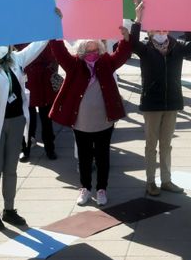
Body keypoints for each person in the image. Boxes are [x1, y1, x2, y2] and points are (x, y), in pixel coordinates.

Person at [0, 21, 53, 228]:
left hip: (16, 122)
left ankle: (9, 209)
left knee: (11, 169)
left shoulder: (15, 60)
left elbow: (37, 46)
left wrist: (52, 23)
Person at [128, 2, 191, 196]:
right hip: (152, 103)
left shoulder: (177, 47)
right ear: (152, 31)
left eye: (165, 28)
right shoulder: (146, 48)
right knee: (151, 144)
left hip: (172, 102)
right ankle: (150, 182)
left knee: (166, 144)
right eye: (157, 29)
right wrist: (138, 19)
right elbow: (132, 44)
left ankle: (166, 180)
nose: (162, 32)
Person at [50, 30, 134, 207]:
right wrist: (55, 28)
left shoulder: (106, 62)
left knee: (103, 156)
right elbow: (59, 52)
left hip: (104, 121)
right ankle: (85, 188)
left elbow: (122, 55)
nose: (92, 55)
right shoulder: (74, 64)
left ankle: (102, 189)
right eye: (88, 51)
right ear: (81, 52)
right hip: (81, 122)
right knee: (84, 156)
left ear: (100, 49)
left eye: (95, 50)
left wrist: (127, 38)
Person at [20, 48, 60, 163]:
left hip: (45, 78)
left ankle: (50, 148)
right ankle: (25, 149)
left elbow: (56, 54)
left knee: (46, 118)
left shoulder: (47, 33)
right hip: (28, 77)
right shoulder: (21, 34)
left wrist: (54, 70)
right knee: (28, 118)